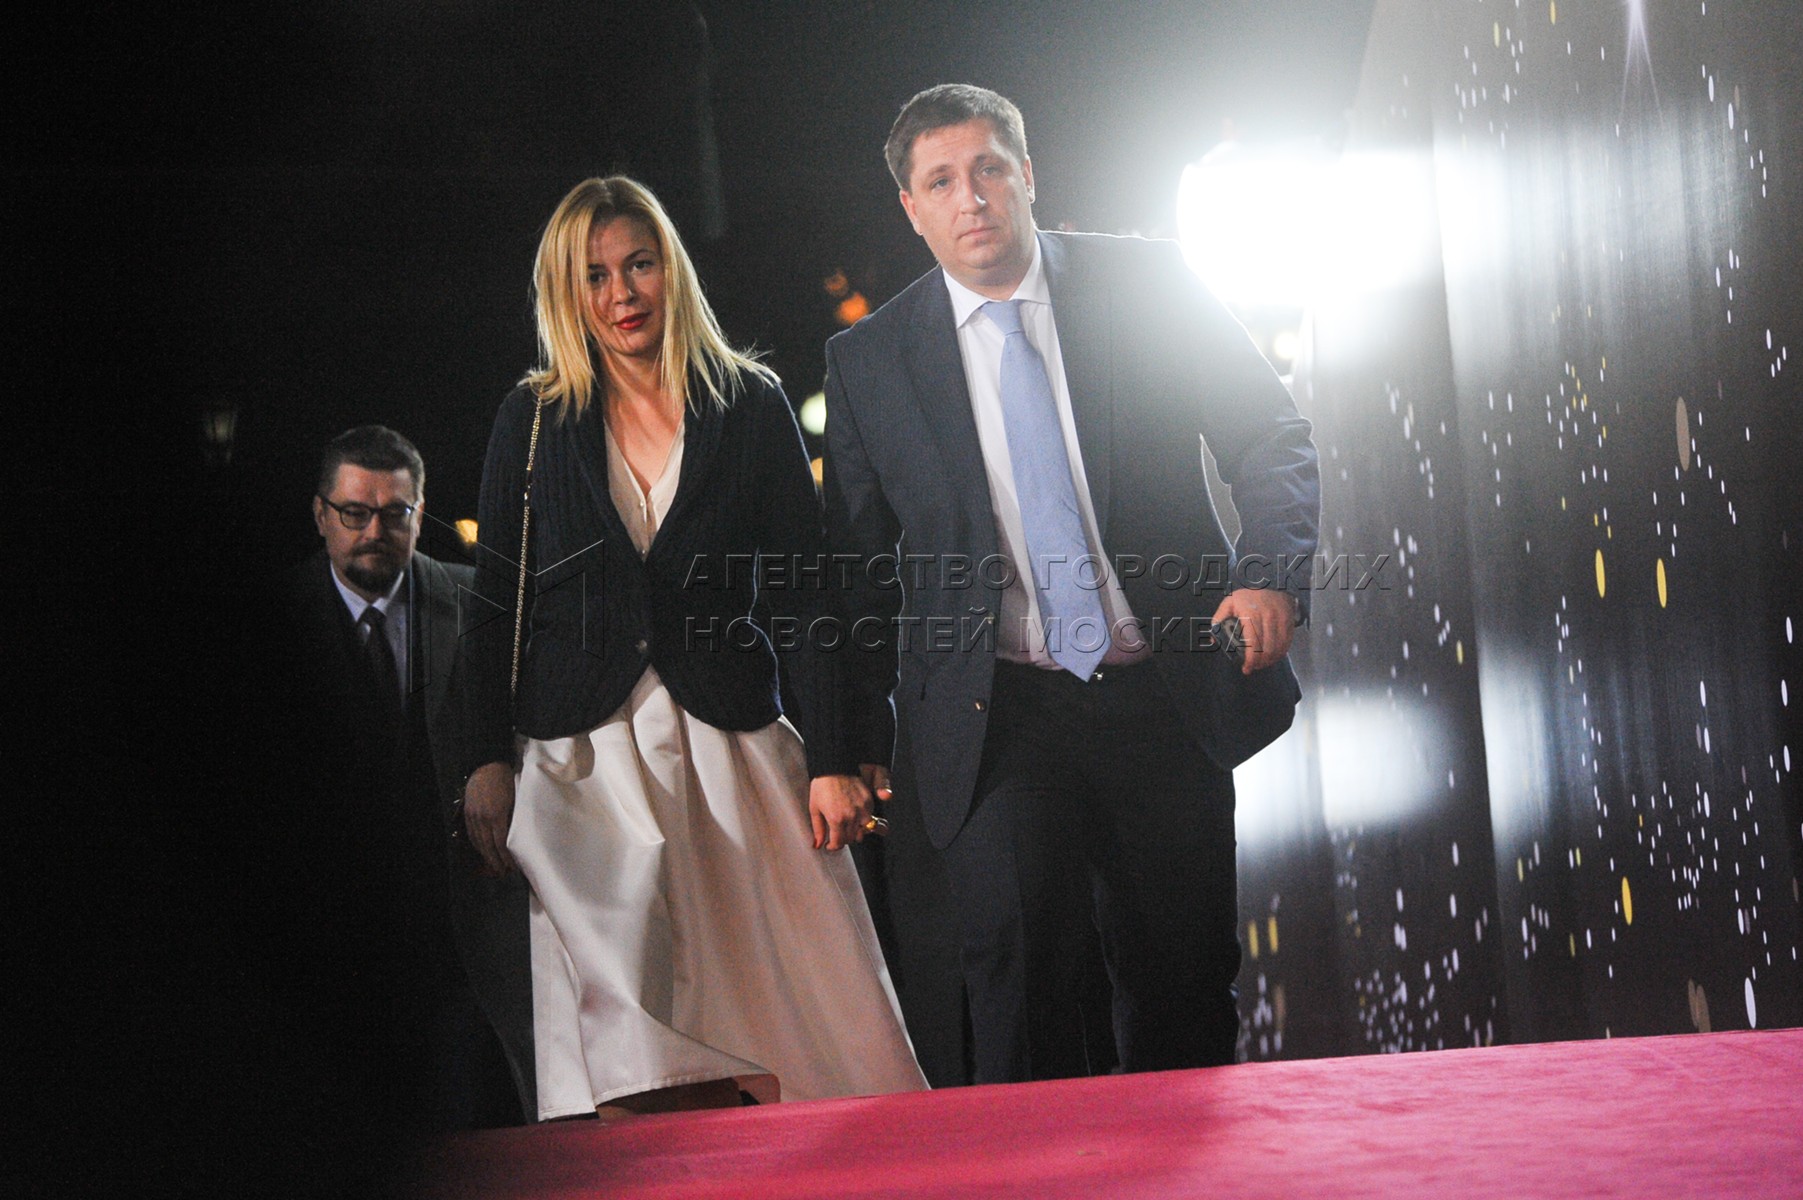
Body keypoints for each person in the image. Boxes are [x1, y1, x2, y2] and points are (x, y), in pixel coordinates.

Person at [821, 84, 1321, 1083]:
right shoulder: (869, 361)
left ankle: (1185, 1158)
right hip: (998, 716)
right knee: (1021, 987)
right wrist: (844, 746)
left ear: (1028, 173)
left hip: (1161, 693)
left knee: (1181, 983)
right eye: (941, 182)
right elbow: (853, 572)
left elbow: (1271, 434)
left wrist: (1269, 574)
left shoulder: (1146, 283)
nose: (972, 198)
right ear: (911, 209)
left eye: (989, 169)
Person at [458, 176, 927, 1120]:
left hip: (728, 745)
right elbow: (495, 599)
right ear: (566, 293)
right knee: (621, 1012)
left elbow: (803, 591)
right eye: (594, 276)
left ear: (670, 270)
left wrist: (833, 758)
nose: (621, 294)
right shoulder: (533, 417)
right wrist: (481, 757)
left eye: (638, 265)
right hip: (579, 759)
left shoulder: (747, 403)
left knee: (784, 1003)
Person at [287, 425, 534, 1130]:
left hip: (463, 920)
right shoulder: (271, 621)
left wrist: (494, 764)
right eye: (354, 513)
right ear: (320, 514)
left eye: (394, 514)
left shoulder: (480, 604)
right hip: (325, 926)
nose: (374, 531)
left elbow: (535, 725)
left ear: (420, 515)